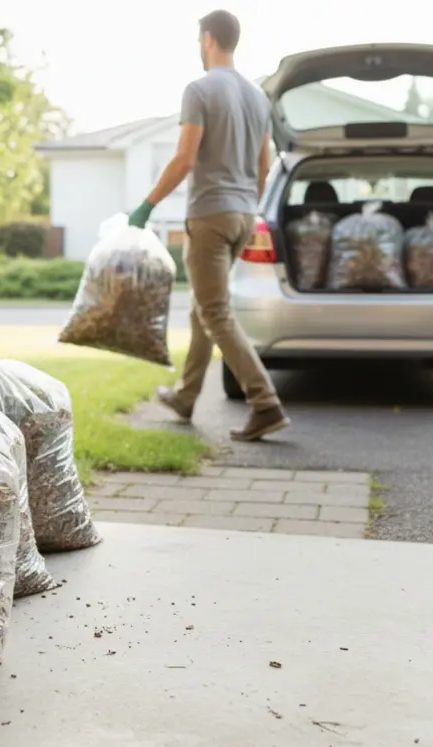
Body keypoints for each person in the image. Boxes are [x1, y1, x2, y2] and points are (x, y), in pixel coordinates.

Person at [128, 9, 288, 442]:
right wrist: (247, 205)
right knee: (203, 309)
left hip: (210, 215)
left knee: (214, 312)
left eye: (200, 40)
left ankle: (265, 401)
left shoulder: (199, 89)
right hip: (242, 216)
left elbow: (185, 157)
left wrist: (147, 204)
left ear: (208, 39)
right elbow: (264, 164)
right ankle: (186, 395)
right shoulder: (258, 98)